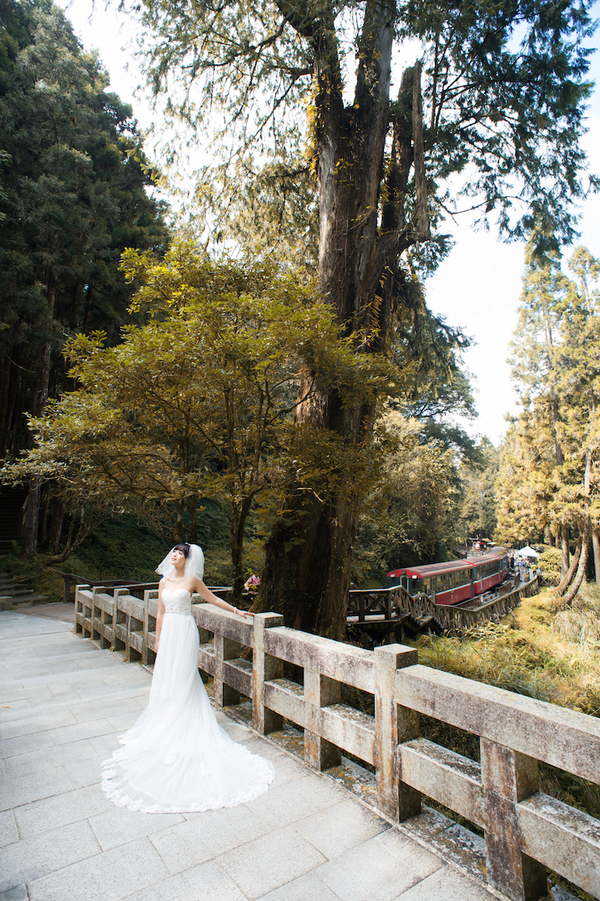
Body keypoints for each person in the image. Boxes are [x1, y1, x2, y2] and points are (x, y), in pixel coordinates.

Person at [102, 543, 275, 813]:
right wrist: (157, 639)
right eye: (173, 552)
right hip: (169, 631)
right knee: (167, 679)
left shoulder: (193, 580)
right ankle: (165, 721)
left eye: (180, 553)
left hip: (185, 630)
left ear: (187, 559)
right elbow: (160, 612)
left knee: (184, 676)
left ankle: (184, 722)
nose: (175, 555)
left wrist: (236, 610)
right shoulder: (163, 581)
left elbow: (212, 599)